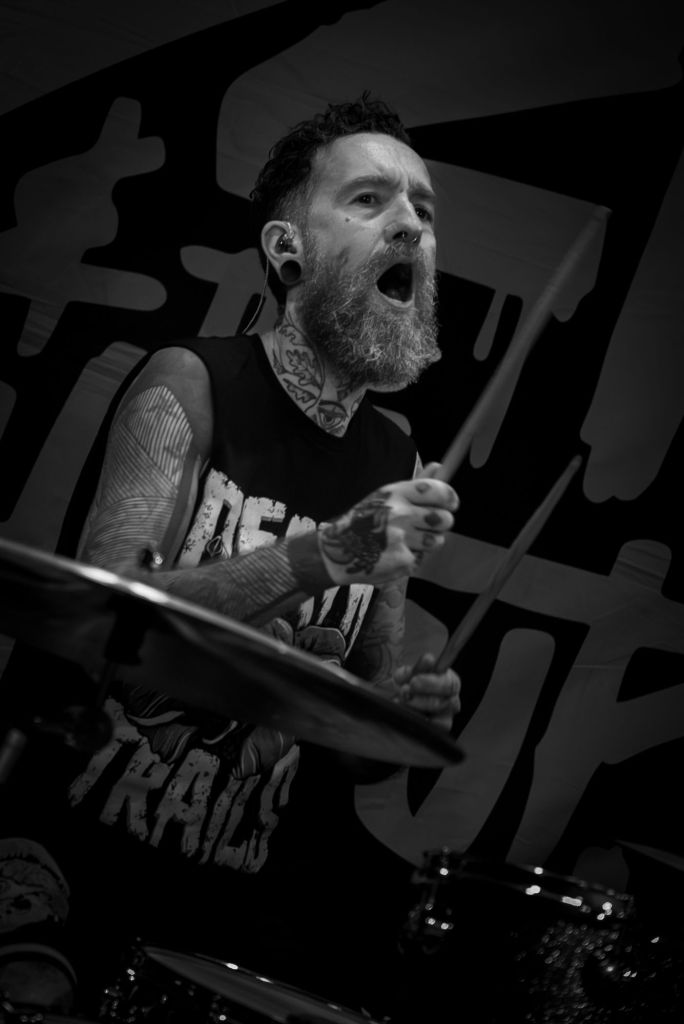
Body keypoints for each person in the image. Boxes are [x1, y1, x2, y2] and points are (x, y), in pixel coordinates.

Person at [0, 93, 461, 1018]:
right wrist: (325, 554)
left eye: (422, 206)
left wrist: (402, 713)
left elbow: (352, 744)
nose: (411, 224)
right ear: (288, 251)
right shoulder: (190, 382)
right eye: (369, 199)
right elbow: (105, 608)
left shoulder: (398, 460)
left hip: (225, 900)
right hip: (63, 857)